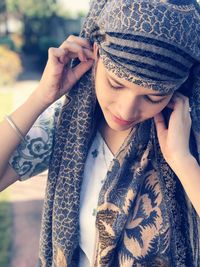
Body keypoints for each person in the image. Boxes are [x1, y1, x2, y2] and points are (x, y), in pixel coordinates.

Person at [0, 0, 200, 266]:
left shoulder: (189, 134)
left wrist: (183, 161)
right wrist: (41, 97)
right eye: (116, 84)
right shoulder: (71, 125)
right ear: (95, 52)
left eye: (153, 97)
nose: (126, 110)